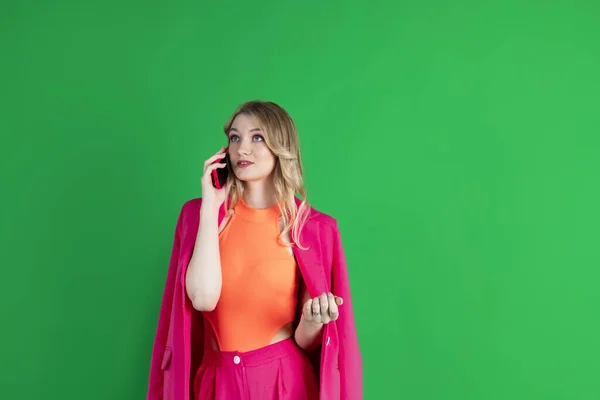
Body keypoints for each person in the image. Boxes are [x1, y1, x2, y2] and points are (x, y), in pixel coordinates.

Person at [146, 100, 362, 400]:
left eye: (257, 137)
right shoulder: (197, 215)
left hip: (283, 383)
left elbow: (304, 340)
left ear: (280, 145)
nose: (242, 149)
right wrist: (211, 204)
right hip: (215, 384)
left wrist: (313, 319)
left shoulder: (312, 228)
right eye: (235, 137)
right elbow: (203, 298)